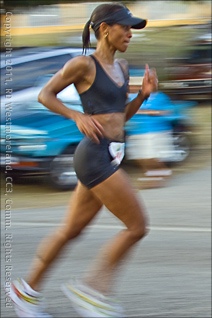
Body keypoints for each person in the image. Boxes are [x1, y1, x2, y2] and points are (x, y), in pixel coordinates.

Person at [9, 3, 158, 317]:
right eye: (125, 27)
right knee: (137, 226)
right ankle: (92, 289)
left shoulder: (121, 67)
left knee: (70, 231)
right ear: (105, 29)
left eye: (132, 28)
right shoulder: (83, 65)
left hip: (111, 153)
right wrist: (75, 115)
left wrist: (142, 96)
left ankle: (25, 290)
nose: (130, 33)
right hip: (94, 155)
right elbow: (45, 94)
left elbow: (119, 119)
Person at [126, 87, 174, 189]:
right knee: (139, 157)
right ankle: (155, 176)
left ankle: (159, 174)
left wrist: (150, 112)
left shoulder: (160, 97)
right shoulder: (131, 97)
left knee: (150, 157)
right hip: (136, 131)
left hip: (154, 130)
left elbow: (168, 111)